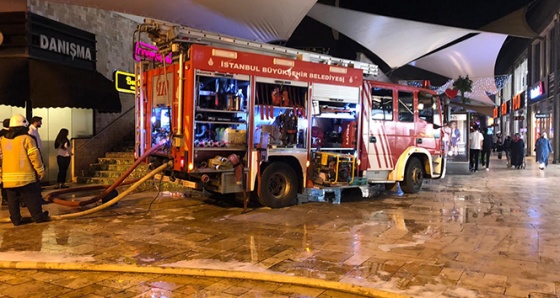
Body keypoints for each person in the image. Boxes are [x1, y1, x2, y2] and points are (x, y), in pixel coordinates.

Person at [0, 114, 49, 226]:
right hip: (26, 178)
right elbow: (34, 157)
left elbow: (1, 159)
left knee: (12, 201)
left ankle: (16, 220)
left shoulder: (2, 140)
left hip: (8, 180)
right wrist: (40, 171)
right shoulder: (27, 139)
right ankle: (38, 217)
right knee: (32, 198)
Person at [0, 118, 9, 206]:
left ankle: (4, 198)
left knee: (3, 180)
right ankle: (6, 198)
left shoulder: (0, 133)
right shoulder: (8, 135)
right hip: (6, 159)